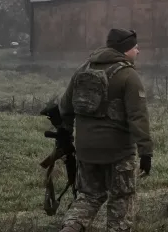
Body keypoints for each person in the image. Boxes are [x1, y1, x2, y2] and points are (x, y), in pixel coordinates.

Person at [57, 28, 153, 232]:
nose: (138, 51)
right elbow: (138, 116)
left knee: (89, 197)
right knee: (122, 201)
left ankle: (69, 229)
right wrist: (146, 152)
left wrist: (66, 137)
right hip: (118, 153)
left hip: (86, 151)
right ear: (125, 49)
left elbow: (65, 107)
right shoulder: (128, 75)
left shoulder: (83, 69)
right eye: (135, 47)